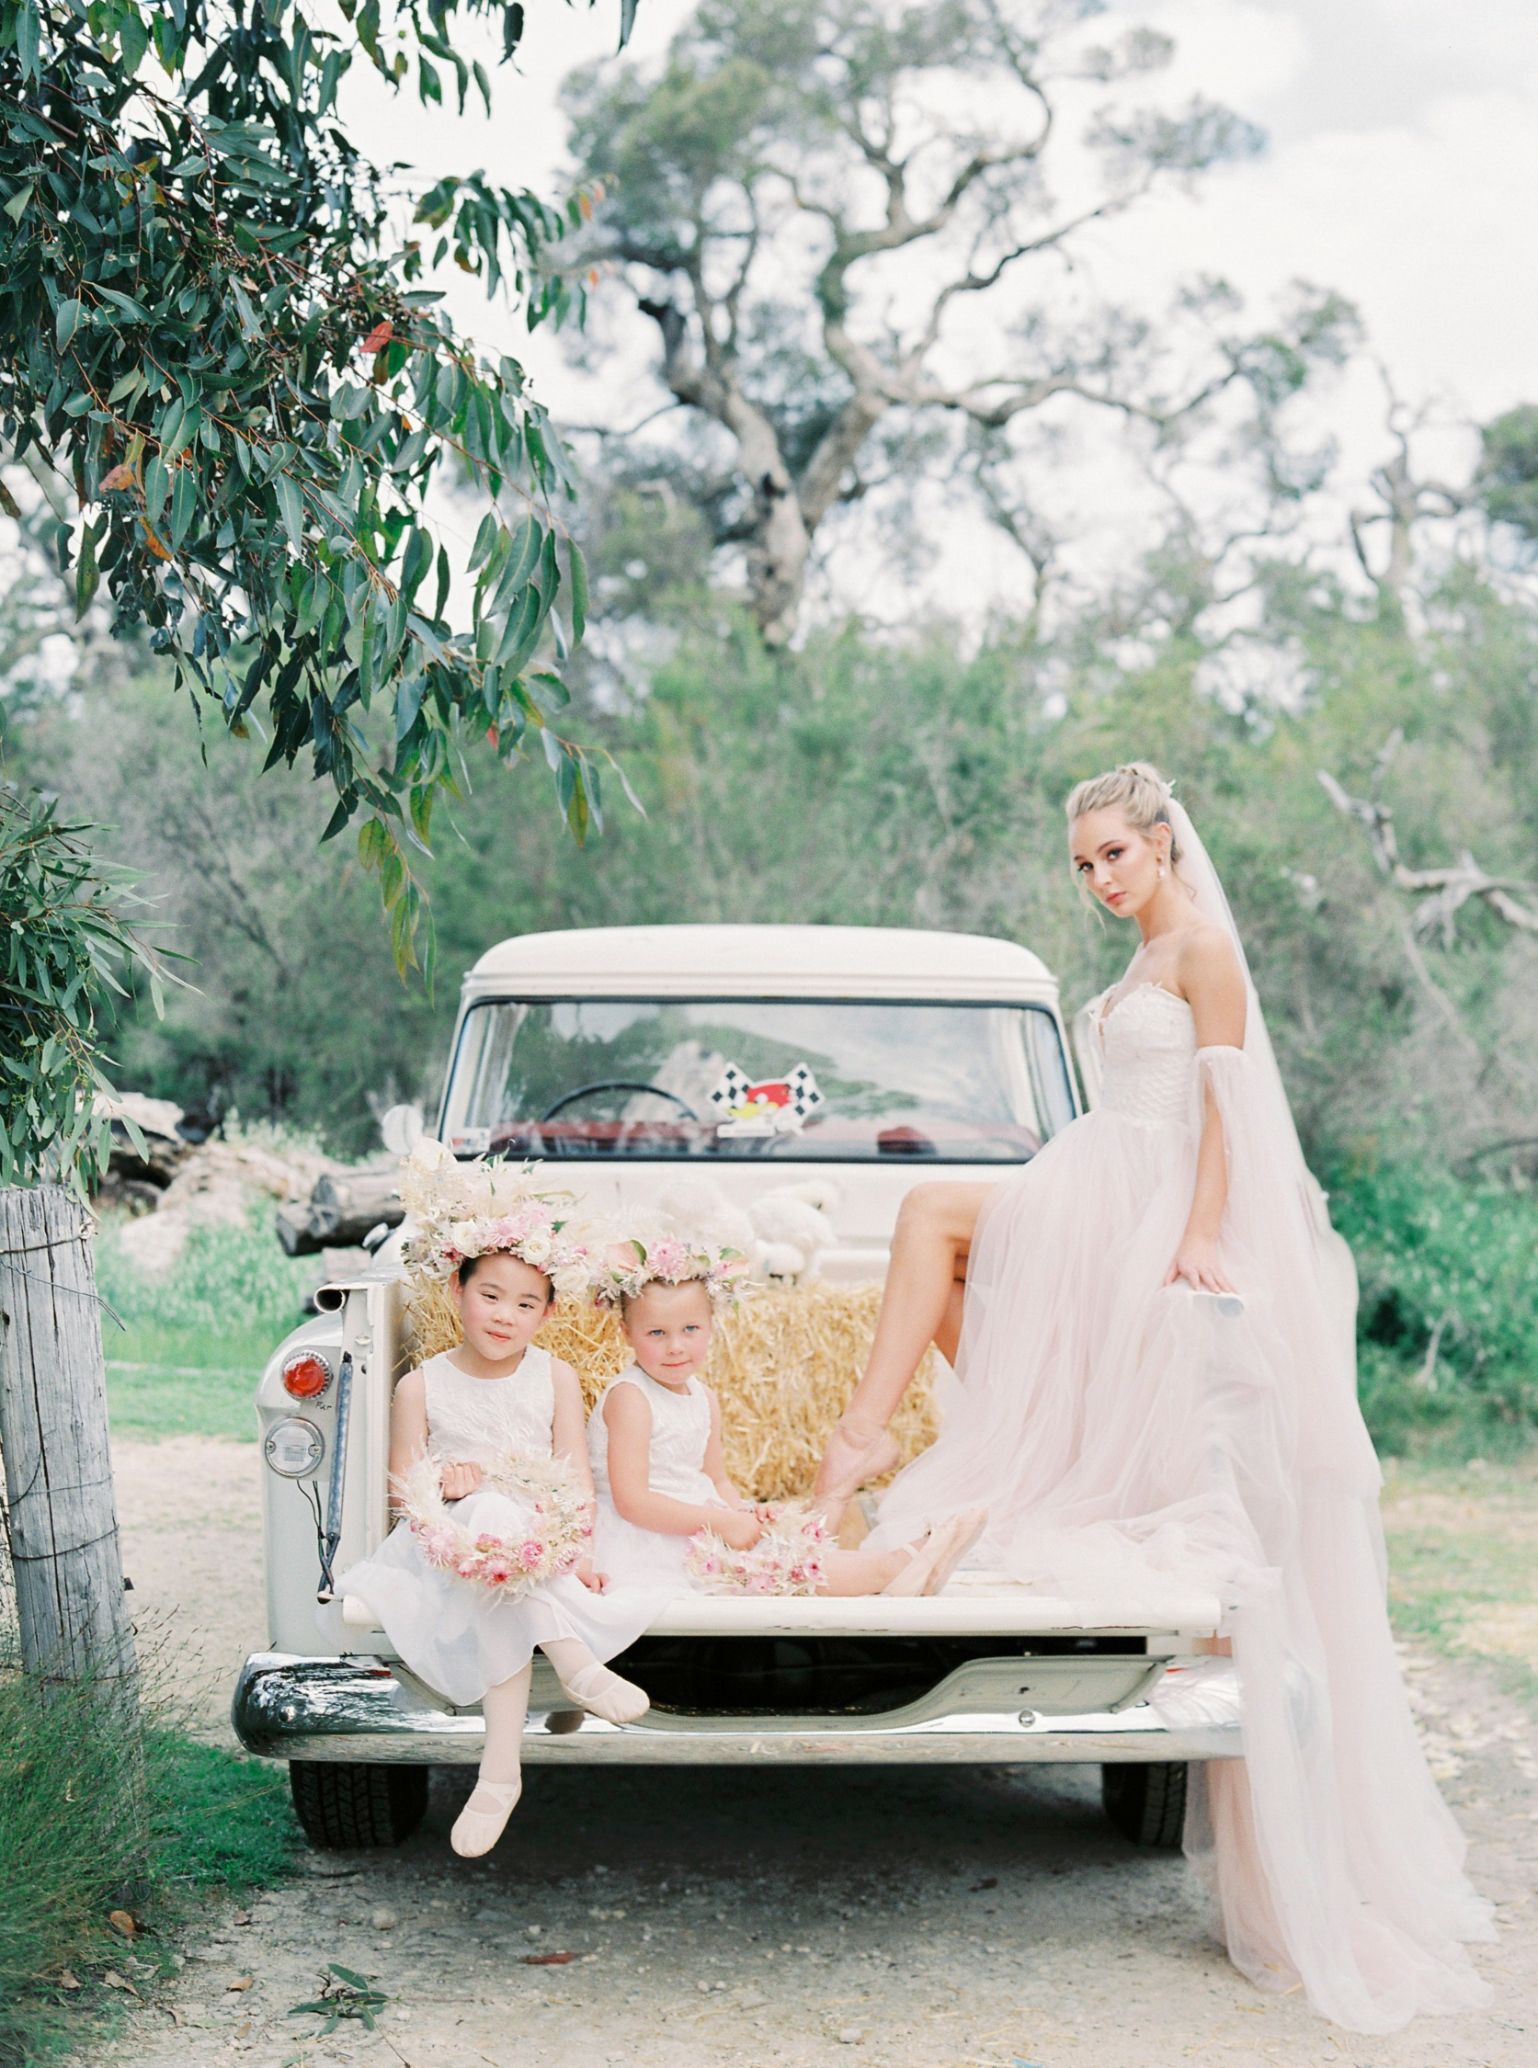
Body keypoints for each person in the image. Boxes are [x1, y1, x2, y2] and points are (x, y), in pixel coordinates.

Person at [810, 761, 1492, 2033]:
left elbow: (1229, 1111)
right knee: (930, 1224)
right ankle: (926, 1445)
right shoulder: (1139, 958)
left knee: (927, 1216)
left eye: (1112, 855)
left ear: (1162, 841)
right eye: (1080, 864)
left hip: (1150, 1194)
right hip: (1091, 1175)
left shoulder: (1203, 948)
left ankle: (862, 1452)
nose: (1096, 879)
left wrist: (1197, 1233)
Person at [340, 1195, 653, 1860]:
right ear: (457, 1290)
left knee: (504, 1541)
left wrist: (582, 1550)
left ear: (549, 1312)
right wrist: (445, 1485)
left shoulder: (556, 1377)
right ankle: (577, 1668)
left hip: (538, 1548)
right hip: (448, 1549)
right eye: (490, 1295)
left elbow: (573, 1478)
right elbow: (408, 1494)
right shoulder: (420, 1388)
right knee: (485, 1514)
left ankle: (499, 1772)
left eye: (525, 1303)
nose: (505, 1316)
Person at [588, 1237, 985, 1598]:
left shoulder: (702, 1397)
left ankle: (901, 1566)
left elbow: (717, 1478)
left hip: (701, 1518)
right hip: (647, 1535)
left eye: (690, 1329)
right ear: (626, 1333)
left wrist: (743, 1512)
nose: (676, 1346)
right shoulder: (631, 1397)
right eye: (656, 1333)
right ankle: (897, 1567)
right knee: (774, 1568)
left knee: (780, 1548)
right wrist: (722, 1523)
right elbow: (633, 1501)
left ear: (711, 1326)